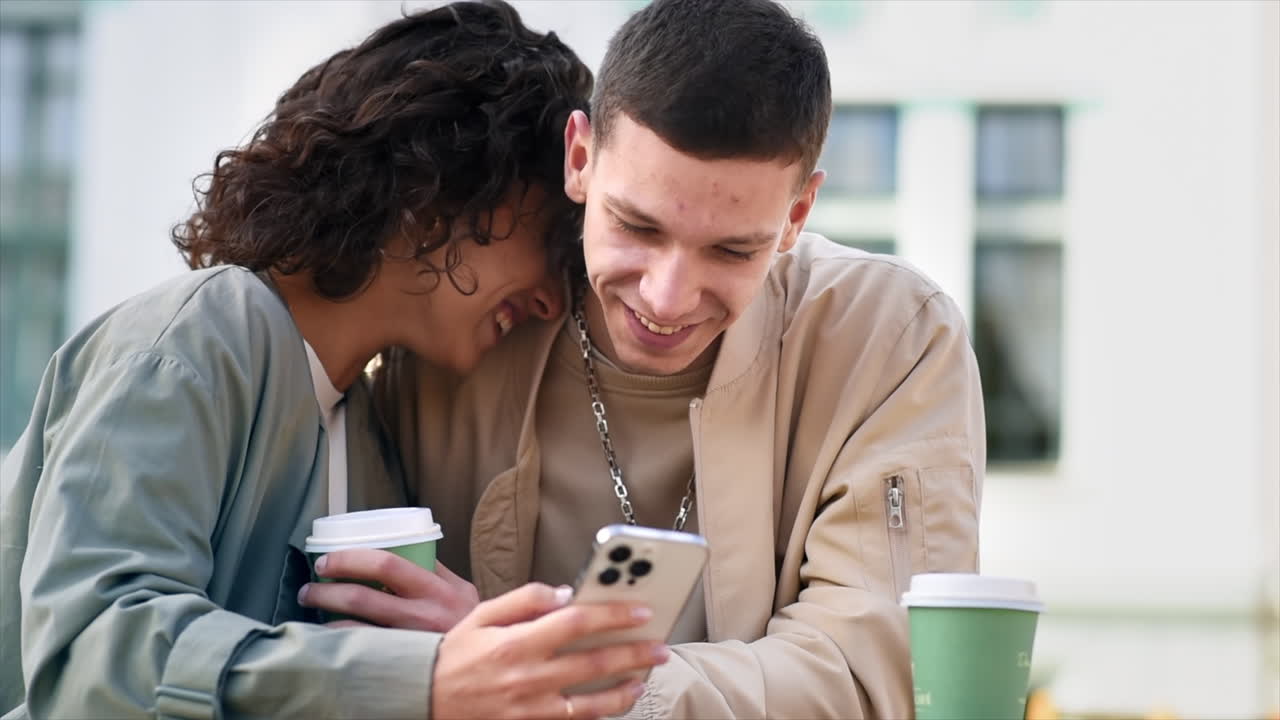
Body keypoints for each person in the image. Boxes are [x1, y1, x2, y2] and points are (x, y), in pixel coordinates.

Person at [0, 3, 668, 719]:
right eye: (549, 234)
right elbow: (91, 655)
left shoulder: (363, 428)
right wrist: (420, 680)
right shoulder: (202, 335)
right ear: (438, 190)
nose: (549, 296)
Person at [347, 0, 986, 717]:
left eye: (732, 250)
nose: (668, 297)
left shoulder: (889, 338)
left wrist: (547, 673)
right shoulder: (461, 314)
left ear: (798, 214)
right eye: (636, 226)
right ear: (580, 158)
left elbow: (873, 677)